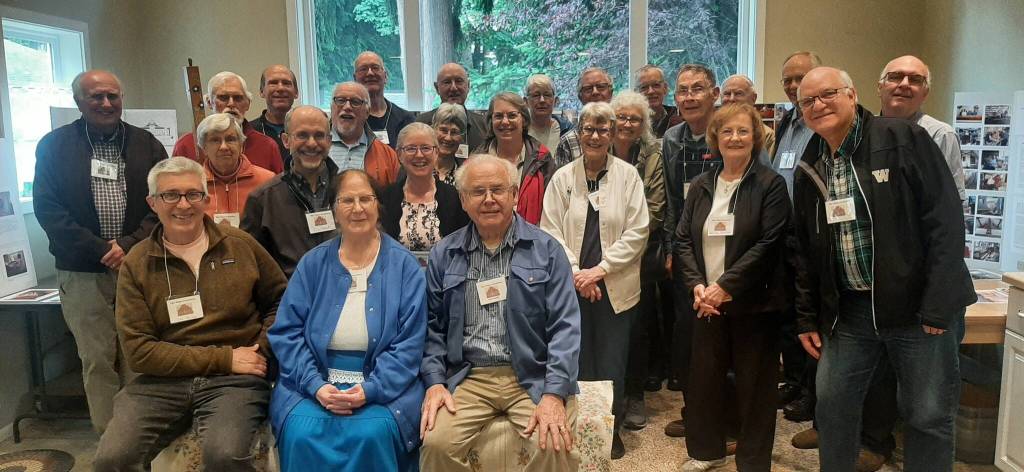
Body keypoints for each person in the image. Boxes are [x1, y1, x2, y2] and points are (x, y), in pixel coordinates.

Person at [793, 67, 975, 472]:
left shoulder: (901, 138)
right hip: (850, 311)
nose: (818, 105)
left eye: (828, 94)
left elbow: (945, 220)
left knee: (927, 415)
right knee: (833, 404)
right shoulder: (812, 160)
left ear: (853, 94)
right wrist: (807, 315)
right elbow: (805, 248)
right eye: (808, 101)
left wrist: (938, 303)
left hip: (917, 311)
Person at [94, 157, 287, 470]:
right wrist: (224, 358)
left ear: (206, 199)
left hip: (233, 381)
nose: (183, 205)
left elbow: (281, 300)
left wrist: (259, 350)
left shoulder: (240, 245)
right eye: (170, 195)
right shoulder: (137, 262)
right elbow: (139, 351)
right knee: (111, 459)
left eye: (192, 194)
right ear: (152, 202)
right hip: (161, 381)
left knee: (225, 455)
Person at [420, 155, 582, 471]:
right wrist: (435, 382)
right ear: (464, 200)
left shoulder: (547, 250)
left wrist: (554, 393)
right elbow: (432, 327)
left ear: (514, 195)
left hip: (532, 375)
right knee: (436, 444)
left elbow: (566, 327)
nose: (489, 199)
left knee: (553, 443)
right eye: (478, 192)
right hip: (468, 377)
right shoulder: (445, 254)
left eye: (498, 189)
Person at [33, 69, 167, 433]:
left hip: (138, 268)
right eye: (96, 97)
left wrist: (126, 246)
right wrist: (100, 250)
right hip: (82, 273)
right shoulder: (53, 146)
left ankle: (140, 436)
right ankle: (111, 443)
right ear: (79, 101)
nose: (106, 103)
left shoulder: (147, 144)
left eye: (113, 96)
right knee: (96, 361)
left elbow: (164, 202)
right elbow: (49, 210)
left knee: (138, 357)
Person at [269, 169, 427, 471]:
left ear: (378, 206)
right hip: (312, 381)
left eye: (366, 198)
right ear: (333, 210)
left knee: (373, 433)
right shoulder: (312, 263)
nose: (357, 208)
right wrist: (315, 385)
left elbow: (410, 345)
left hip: (384, 386)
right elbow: (287, 333)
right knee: (302, 433)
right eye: (347, 200)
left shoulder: (405, 266)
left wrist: (370, 389)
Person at [674, 104, 791, 472]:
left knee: (756, 390)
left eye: (743, 131)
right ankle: (706, 453)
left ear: (755, 137)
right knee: (704, 383)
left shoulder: (771, 185)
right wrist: (697, 286)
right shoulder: (703, 185)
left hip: (754, 305)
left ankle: (753, 462)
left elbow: (769, 244)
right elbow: (682, 240)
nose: (735, 138)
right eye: (727, 132)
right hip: (705, 303)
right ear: (716, 139)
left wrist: (725, 287)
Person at [541, 101, 649, 459]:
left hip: (614, 287)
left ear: (614, 133)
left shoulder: (628, 176)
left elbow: (638, 232)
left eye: (603, 129)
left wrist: (600, 271)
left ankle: (608, 432)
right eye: (588, 128)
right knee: (577, 361)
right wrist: (577, 273)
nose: (595, 135)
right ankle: (577, 430)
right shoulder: (562, 178)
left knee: (610, 363)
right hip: (572, 288)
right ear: (579, 133)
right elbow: (550, 230)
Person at [661, 63, 721, 438]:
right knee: (689, 336)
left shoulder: (729, 134)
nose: (689, 97)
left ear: (714, 93)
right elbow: (670, 199)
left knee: (724, 335)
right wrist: (670, 249)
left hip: (728, 249)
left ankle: (727, 417)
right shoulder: (671, 139)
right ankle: (694, 411)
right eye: (683, 90)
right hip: (686, 250)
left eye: (698, 89)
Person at [609, 90, 666, 432]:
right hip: (599, 254)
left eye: (635, 118)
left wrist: (624, 243)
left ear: (643, 124)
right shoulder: (598, 149)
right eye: (622, 117)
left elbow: (655, 207)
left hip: (639, 254)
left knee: (638, 326)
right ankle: (606, 394)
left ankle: (635, 394)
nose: (628, 123)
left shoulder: (652, 153)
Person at [771, 51, 821, 426]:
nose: (792, 85)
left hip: (812, 233)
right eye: (788, 79)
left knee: (812, 316)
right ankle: (793, 380)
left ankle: (813, 393)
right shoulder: (787, 121)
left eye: (799, 77)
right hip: (783, 232)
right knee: (787, 313)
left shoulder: (823, 122)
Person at [243, 105, 339, 278]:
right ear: (286, 140)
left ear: (329, 141)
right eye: (302, 135)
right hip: (291, 299)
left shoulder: (347, 191)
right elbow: (250, 264)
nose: (312, 143)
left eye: (319, 135)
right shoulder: (263, 199)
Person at [173, 71, 284, 173]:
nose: (231, 104)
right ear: (209, 102)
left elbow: (279, 190)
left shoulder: (267, 146)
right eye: (223, 98)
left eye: (238, 98)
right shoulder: (186, 145)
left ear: (248, 104)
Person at [381, 122, 470, 251]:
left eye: (426, 148)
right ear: (399, 154)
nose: (419, 155)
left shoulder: (455, 198)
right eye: (411, 148)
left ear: (436, 152)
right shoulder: (386, 198)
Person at [474, 92, 556, 225]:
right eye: (498, 116)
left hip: (532, 240)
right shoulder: (475, 162)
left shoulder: (542, 160)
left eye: (512, 115)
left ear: (523, 119)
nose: (505, 122)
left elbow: (553, 210)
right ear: (490, 120)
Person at [197, 113, 275, 227]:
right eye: (215, 140)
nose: (224, 147)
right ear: (204, 148)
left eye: (230, 139)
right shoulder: (194, 183)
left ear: (241, 145)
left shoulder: (268, 181)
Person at [328, 81, 400, 186]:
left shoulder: (387, 155)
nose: (347, 107)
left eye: (355, 102)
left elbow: (395, 196)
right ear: (331, 107)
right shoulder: (315, 148)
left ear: (367, 112)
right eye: (340, 100)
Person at [415, 63, 490, 150]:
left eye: (459, 81)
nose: (453, 88)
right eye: (447, 82)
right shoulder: (421, 124)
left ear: (468, 86)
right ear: (437, 88)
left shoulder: (483, 125)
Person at [354, 51, 416, 149]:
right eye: (363, 69)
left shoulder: (406, 119)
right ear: (355, 79)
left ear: (385, 77)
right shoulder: (349, 119)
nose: (370, 73)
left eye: (375, 68)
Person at [555, 67, 615, 167]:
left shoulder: (622, 135)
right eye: (588, 89)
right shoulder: (568, 142)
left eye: (601, 87)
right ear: (580, 97)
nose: (595, 92)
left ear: (611, 93)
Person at [250, 64, 299, 168]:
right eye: (273, 83)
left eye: (286, 83)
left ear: (296, 92)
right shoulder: (248, 132)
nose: (280, 88)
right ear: (261, 92)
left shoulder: (309, 131)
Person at [720, 74, 776, 157]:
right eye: (727, 94)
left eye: (738, 93)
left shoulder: (766, 135)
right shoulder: (713, 131)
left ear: (753, 98)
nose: (732, 99)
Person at [525, 73, 573, 152]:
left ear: (556, 101)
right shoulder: (518, 131)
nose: (542, 100)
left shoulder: (567, 130)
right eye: (536, 95)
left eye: (547, 95)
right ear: (526, 101)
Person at [634, 64, 678, 138]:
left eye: (656, 85)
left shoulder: (678, 117)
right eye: (644, 87)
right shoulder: (630, 123)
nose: (651, 91)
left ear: (665, 88)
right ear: (636, 93)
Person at [431, 102, 469, 186]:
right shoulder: (418, 169)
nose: (448, 138)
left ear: (462, 137)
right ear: (433, 130)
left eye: (454, 132)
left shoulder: (467, 176)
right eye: (443, 130)